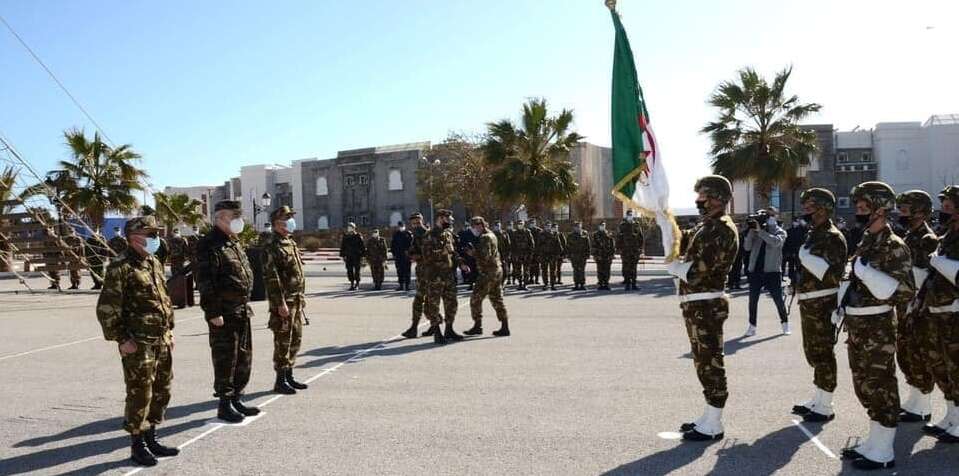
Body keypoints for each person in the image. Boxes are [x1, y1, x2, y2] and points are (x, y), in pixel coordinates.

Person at [837, 181, 914, 470]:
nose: (857, 212)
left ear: (880, 210)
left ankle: (883, 450)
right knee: (864, 385)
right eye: (857, 207)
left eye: (863, 208)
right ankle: (873, 442)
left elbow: (905, 291)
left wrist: (866, 273)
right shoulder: (866, 240)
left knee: (881, 386)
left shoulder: (894, 245)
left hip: (877, 325)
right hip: (858, 324)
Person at [95, 216, 179, 467]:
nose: (155, 238)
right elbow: (107, 308)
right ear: (134, 237)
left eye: (156, 233)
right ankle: (137, 444)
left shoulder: (153, 262)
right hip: (138, 342)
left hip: (160, 339)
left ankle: (152, 437)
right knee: (140, 393)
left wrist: (169, 331)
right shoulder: (120, 266)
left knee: (162, 390)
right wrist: (122, 339)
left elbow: (163, 299)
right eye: (150, 234)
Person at [666, 175, 739, 442]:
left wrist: (675, 268)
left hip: (707, 304)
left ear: (717, 198)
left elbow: (697, 272)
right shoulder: (706, 226)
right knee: (702, 361)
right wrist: (666, 222)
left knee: (711, 362)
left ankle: (714, 422)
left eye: (703, 196)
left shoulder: (721, 229)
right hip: (698, 304)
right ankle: (709, 415)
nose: (698, 201)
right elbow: (683, 241)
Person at [195, 200, 259, 424]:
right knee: (226, 359)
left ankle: (237, 398)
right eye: (235, 216)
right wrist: (213, 312)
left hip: (241, 310)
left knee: (243, 357)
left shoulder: (233, 242)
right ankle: (224, 404)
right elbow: (205, 281)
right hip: (223, 312)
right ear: (221, 218)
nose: (239, 221)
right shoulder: (208, 244)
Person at [791, 189, 847, 423]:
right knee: (813, 351)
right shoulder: (814, 234)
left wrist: (806, 258)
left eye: (810, 207)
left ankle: (826, 404)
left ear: (824, 209)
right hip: (811, 301)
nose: (806, 211)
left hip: (823, 302)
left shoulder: (832, 236)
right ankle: (818, 397)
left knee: (823, 352)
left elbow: (833, 274)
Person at [894, 191, 939, 423]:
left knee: (918, 353)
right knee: (906, 353)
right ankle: (914, 398)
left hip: (918, 307)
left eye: (905, 210)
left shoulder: (927, 239)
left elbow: (923, 274)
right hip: (906, 305)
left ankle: (923, 404)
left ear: (919, 212)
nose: (900, 214)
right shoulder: (910, 235)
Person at [922, 185, 959, 442]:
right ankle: (952, 415)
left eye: (948, 207)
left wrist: (938, 261)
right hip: (938, 311)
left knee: (957, 368)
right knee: (941, 367)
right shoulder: (946, 236)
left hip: (955, 312)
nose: (942, 211)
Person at [262, 206, 309, 395]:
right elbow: (271, 277)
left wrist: (301, 296)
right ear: (276, 223)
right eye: (286, 218)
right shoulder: (272, 245)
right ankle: (280, 380)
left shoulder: (289, 242)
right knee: (283, 341)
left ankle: (289, 375)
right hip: (284, 302)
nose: (290, 221)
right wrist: (279, 303)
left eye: (290, 217)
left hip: (295, 299)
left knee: (295, 338)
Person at [743, 207, 790, 336]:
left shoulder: (780, 232)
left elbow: (775, 242)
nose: (768, 218)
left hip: (772, 271)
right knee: (753, 300)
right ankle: (752, 326)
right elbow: (747, 247)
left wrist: (762, 231)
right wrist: (751, 231)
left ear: (775, 217)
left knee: (778, 300)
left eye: (771, 215)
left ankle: (785, 323)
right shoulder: (756, 231)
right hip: (755, 271)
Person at [420, 210, 461, 344]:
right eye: (448, 219)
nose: (450, 221)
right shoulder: (429, 235)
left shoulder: (448, 234)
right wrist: (442, 252)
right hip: (435, 276)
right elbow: (426, 257)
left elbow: (452, 252)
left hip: (448, 275)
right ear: (440, 219)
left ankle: (449, 329)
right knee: (434, 305)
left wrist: (461, 263)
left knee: (452, 303)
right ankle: (437, 333)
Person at [464, 217, 510, 336]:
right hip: (497, 270)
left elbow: (485, 257)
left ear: (479, 225)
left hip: (488, 272)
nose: (473, 230)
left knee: (475, 299)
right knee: (497, 299)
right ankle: (505, 326)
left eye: (473, 227)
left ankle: (477, 326)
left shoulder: (484, 238)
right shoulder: (492, 234)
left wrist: (472, 253)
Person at [401, 213, 431, 338]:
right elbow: (414, 249)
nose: (416, 225)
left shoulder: (428, 234)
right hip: (421, 272)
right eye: (414, 224)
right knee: (426, 302)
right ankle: (434, 325)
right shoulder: (416, 235)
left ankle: (415, 328)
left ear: (422, 221)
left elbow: (433, 254)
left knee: (423, 301)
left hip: (430, 273)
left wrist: (419, 256)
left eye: (418, 223)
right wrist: (410, 254)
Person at [617, 210, 645, 291]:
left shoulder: (636, 225)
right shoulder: (622, 225)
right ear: (626, 216)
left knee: (634, 268)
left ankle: (634, 284)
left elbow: (640, 237)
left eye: (631, 215)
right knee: (626, 267)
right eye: (628, 215)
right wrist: (619, 249)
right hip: (625, 251)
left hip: (635, 250)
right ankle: (627, 284)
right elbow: (618, 238)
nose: (630, 216)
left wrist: (640, 248)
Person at [339, 223, 366, 290]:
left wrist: (363, 256)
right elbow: (343, 246)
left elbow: (362, 246)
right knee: (349, 270)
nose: (349, 228)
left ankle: (357, 284)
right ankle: (352, 283)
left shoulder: (358, 236)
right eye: (348, 227)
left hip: (357, 256)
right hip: (349, 256)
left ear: (354, 228)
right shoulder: (346, 236)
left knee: (357, 270)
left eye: (350, 227)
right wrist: (343, 255)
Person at [509, 220, 534, 290]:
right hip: (518, 254)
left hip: (526, 254)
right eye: (519, 224)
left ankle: (525, 284)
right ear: (517, 225)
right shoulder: (514, 233)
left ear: (523, 225)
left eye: (521, 224)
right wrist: (513, 254)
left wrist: (530, 253)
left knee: (526, 270)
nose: (520, 225)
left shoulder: (527, 232)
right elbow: (512, 244)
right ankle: (520, 284)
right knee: (518, 270)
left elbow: (531, 243)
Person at [566, 221, 591, 291]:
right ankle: (576, 284)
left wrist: (588, 254)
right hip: (574, 256)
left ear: (581, 227)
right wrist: (568, 255)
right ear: (574, 228)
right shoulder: (570, 235)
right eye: (576, 227)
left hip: (582, 255)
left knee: (582, 270)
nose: (578, 228)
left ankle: (582, 284)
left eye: (579, 226)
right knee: (576, 270)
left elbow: (588, 245)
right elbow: (568, 246)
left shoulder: (585, 234)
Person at [540, 222, 563, 290]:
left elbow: (558, 245)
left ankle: (552, 284)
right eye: (546, 226)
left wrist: (558, 254)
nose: (548, 227)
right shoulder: (541, 234)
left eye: (549, 226)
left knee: (553, 271)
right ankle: (545, 284)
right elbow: (538, 245)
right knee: (544, 270)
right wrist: (539, 254)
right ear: (544, 227)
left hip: (552, 255)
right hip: (544, 255)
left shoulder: (554, 234)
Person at [390, 221, 413, 291]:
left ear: (404, 226)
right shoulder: (396, 234)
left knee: (407, 271)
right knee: (399, 271)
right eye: (399, 226)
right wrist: (394, 254)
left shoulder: (408, 234)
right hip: (398, 256)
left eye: (402, 226)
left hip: (406, 256)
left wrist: (410, 254)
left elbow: (411, 244)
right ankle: (401, 285)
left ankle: (407, 286)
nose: (400, 227)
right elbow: (392, 245)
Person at [592, 222, 615, 291]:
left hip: (607, 256)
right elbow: (593, 246)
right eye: (601, 225)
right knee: (600, 270)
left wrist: (612, 254)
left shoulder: (609, 234)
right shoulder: (596, 234)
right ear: (599, 226)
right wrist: (595, 255)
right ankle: (601, 284)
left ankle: (606, 283)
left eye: (603, 225)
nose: (602, 226)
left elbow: (612, 245)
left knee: (607, 270)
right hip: (599, 256)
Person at [493, 221, 511, 286]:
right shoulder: (491, 234)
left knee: (504, 270)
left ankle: (503, 283)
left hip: (503, 255)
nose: (497, 227)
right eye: (496, 226)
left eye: (498, 225)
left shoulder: (504, 233)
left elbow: (508, 245)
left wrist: (508, 254)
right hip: (494, 255)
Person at [527, 218, 543, 284]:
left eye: (533, 223)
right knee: (529, 266)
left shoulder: (539, 231)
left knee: (537, 266)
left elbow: (542, 242)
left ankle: (536, 279)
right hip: (529, 251)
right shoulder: (527, 231)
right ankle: (531, 279)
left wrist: (540, 251)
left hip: (537, 251)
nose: (532, 224)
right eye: (531, 223)